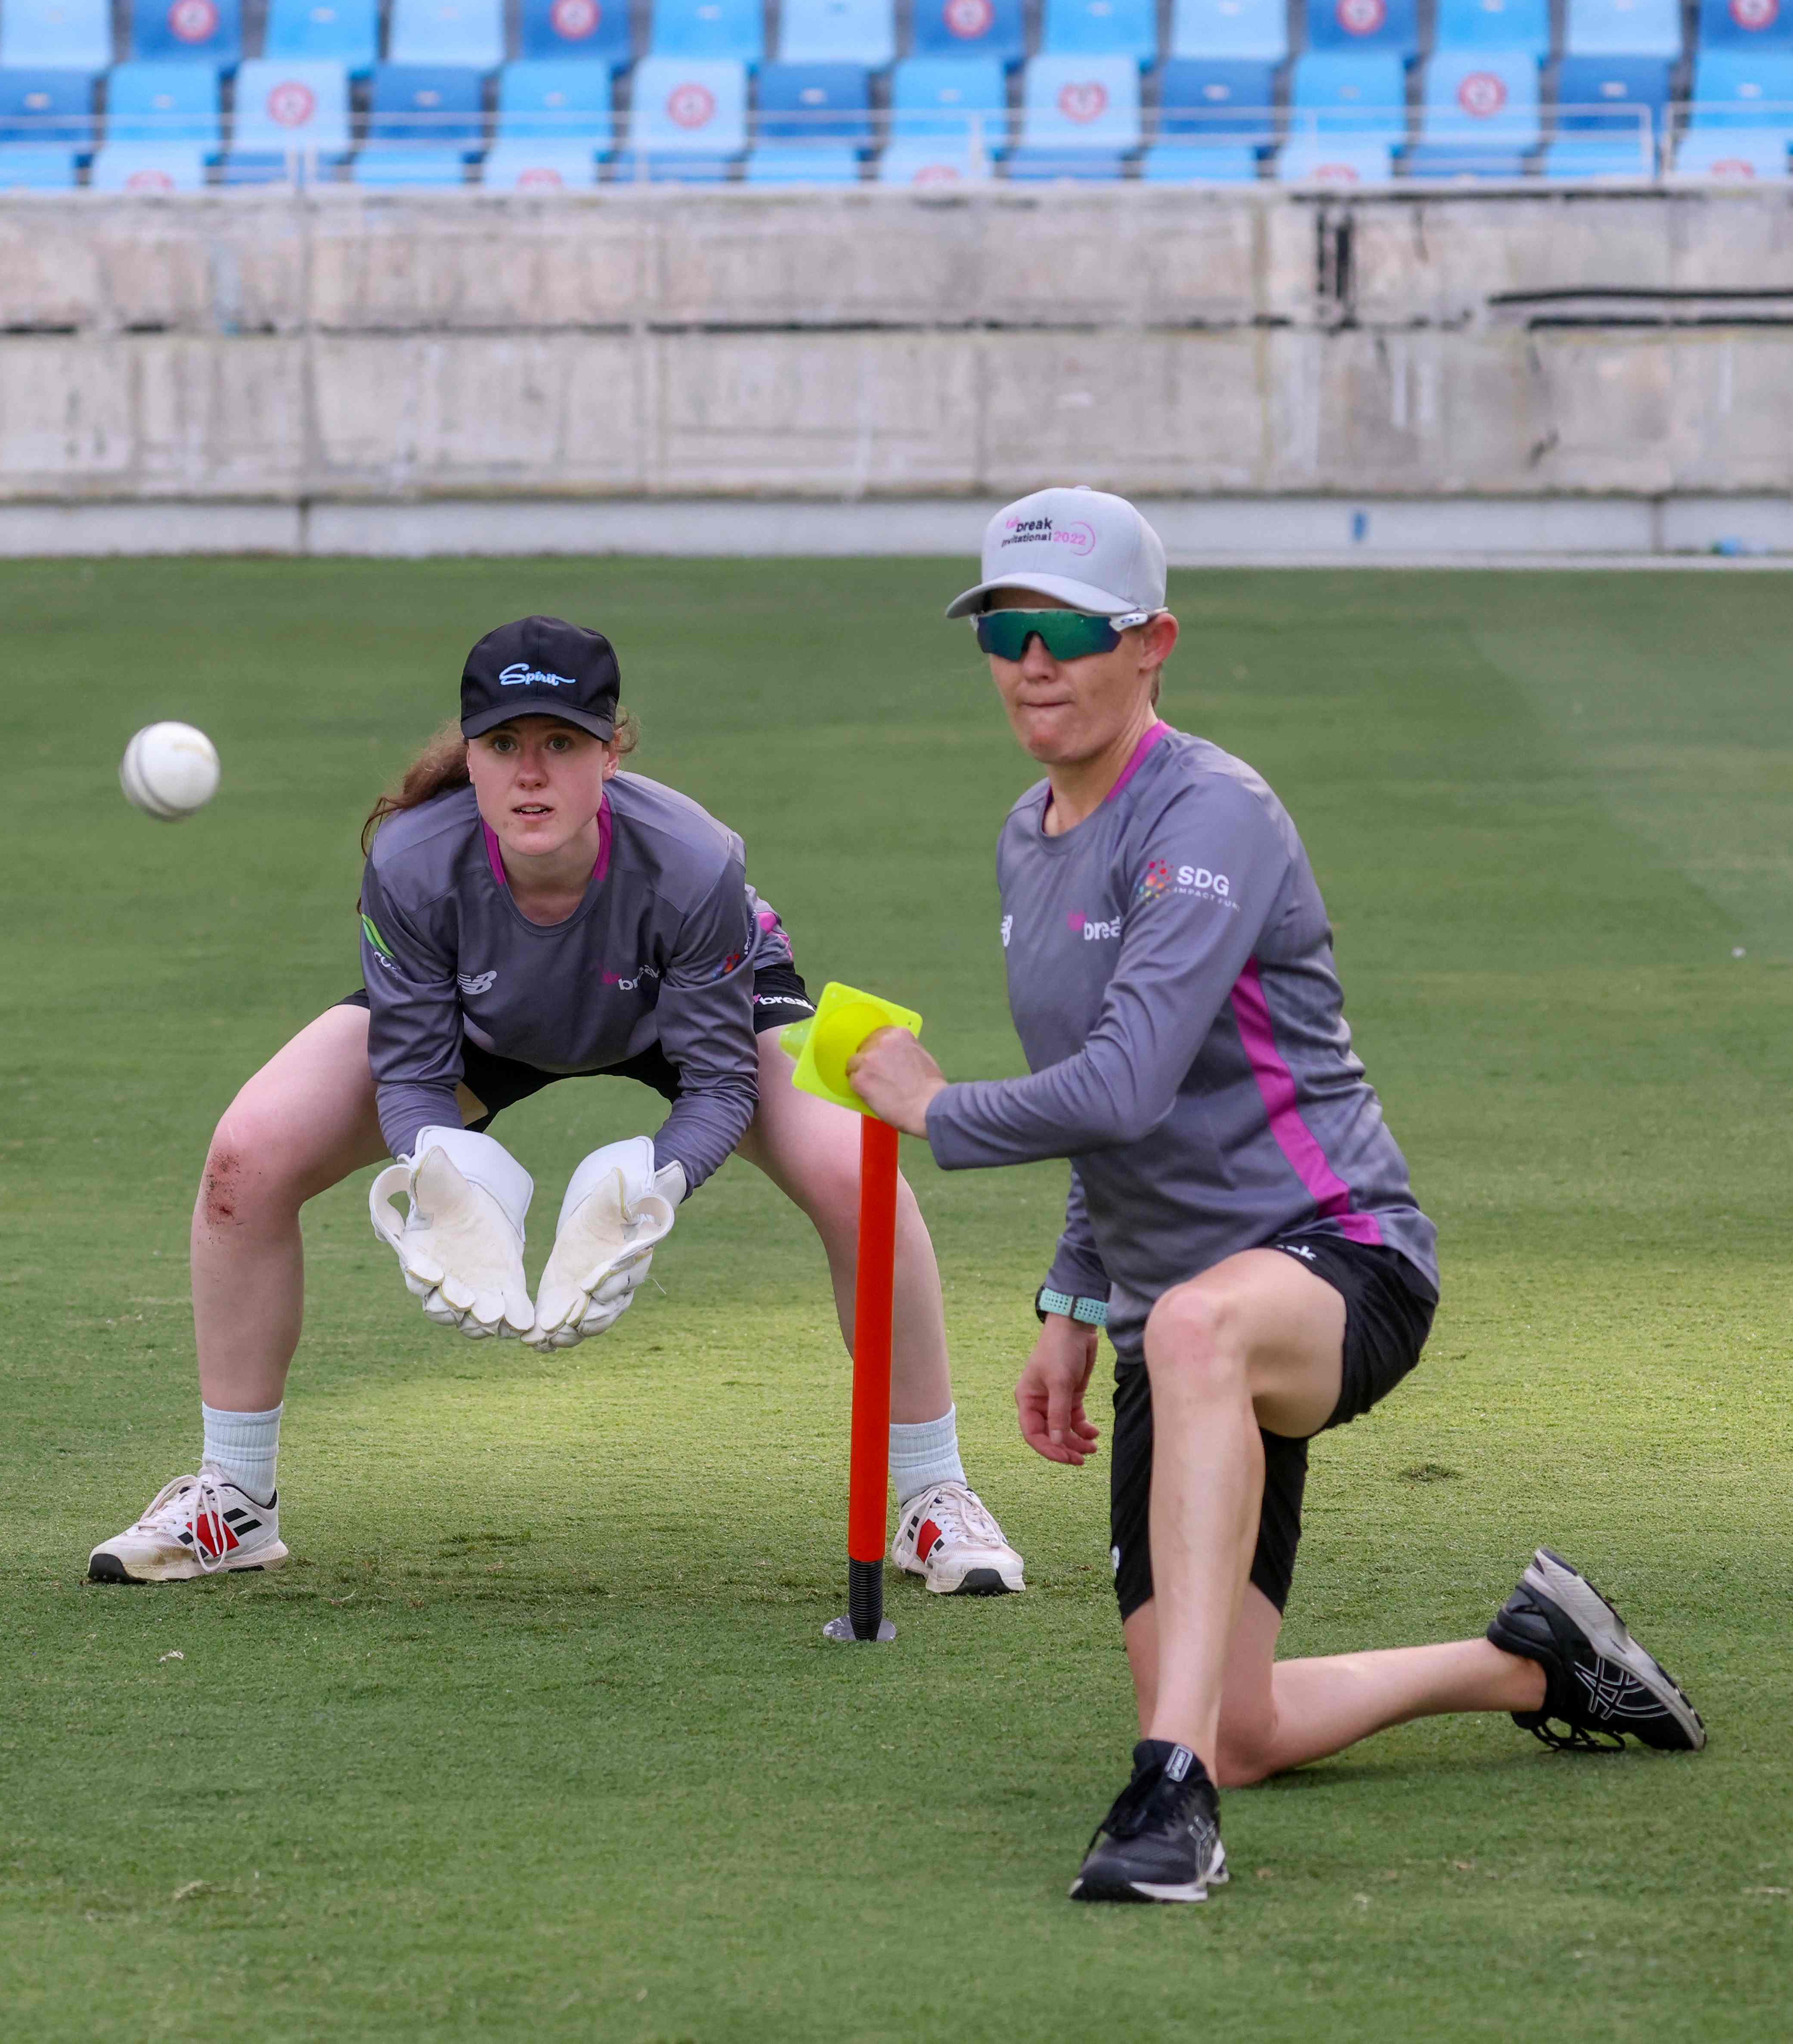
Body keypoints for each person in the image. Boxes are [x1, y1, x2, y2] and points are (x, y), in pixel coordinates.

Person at [845, 487, 1704, 1906]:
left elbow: (1119, 1086)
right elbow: (1116, 1102)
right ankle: (1538, 1660)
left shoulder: (1213, 815)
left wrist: (931, 1110)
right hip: (1168, 1314)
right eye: (1003, 629)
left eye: (1067, 629)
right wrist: (1069, 1297)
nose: (1031, 660)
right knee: (1239, 1721)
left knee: (1190, 1335)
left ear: (1152, 645)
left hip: (1336, 1258)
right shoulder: (1028, 839)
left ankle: (1163, 1804)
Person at [89, 616, 1025, 1594]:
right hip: (487, 1023)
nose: (529, 774)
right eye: (502, 746)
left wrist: (648, 1184)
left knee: (857, 1178)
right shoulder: (411, 861)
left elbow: (716, 1080)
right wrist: (444, 1181)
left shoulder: (695, 860)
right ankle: (233, 1497)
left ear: (610, 752)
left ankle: (931, 1494)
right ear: (470, 750)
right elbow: (411, 1070)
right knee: (245, 1157)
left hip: (678, 1016)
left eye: (561, 744)